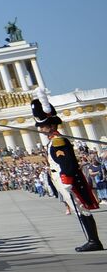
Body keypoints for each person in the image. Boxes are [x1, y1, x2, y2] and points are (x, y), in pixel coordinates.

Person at [32, 91, 102, 252]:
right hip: (65, 181)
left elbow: (67, 164)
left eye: (42, 126)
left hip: (69, 181)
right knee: (80, 211)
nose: (41, 129)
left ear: (50, 126)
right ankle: (92, 240)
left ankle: (93, 241)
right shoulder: (53, 141)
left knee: (82, 210)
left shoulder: (57, 141)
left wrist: (67, 180)